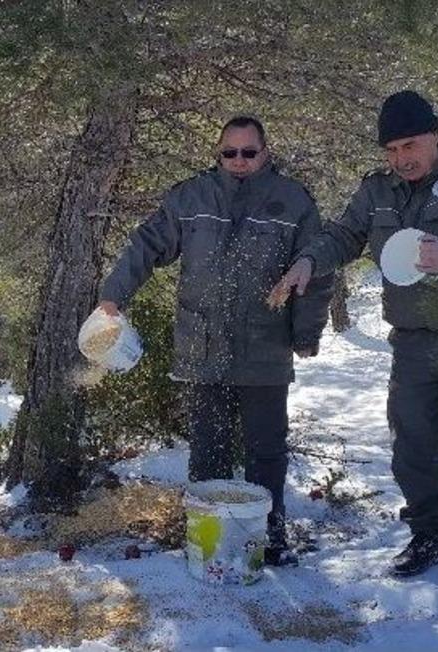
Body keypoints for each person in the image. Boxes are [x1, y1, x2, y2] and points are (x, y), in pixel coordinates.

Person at [271, 90, 438, 589]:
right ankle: (430, 535)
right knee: (413, 445)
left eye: (409, 145)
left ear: (434, 134)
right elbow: (344, 234)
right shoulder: (378, 190)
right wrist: (308, 261)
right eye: (390, 150)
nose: (400, 158)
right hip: (413, 340)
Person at [98, 116, 333, 566]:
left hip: (265, 348)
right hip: (201, 348)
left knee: (266, 451)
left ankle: (268, 538)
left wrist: (306, 331)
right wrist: (114, 296)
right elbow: (146, 245)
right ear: (218, 153)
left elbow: (317, 270)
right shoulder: (191, 197)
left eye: (249, 152)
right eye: (230, 152)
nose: (239, 161)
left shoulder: (293, 200)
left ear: (266, 152)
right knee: (209, 451)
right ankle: (208, 540)